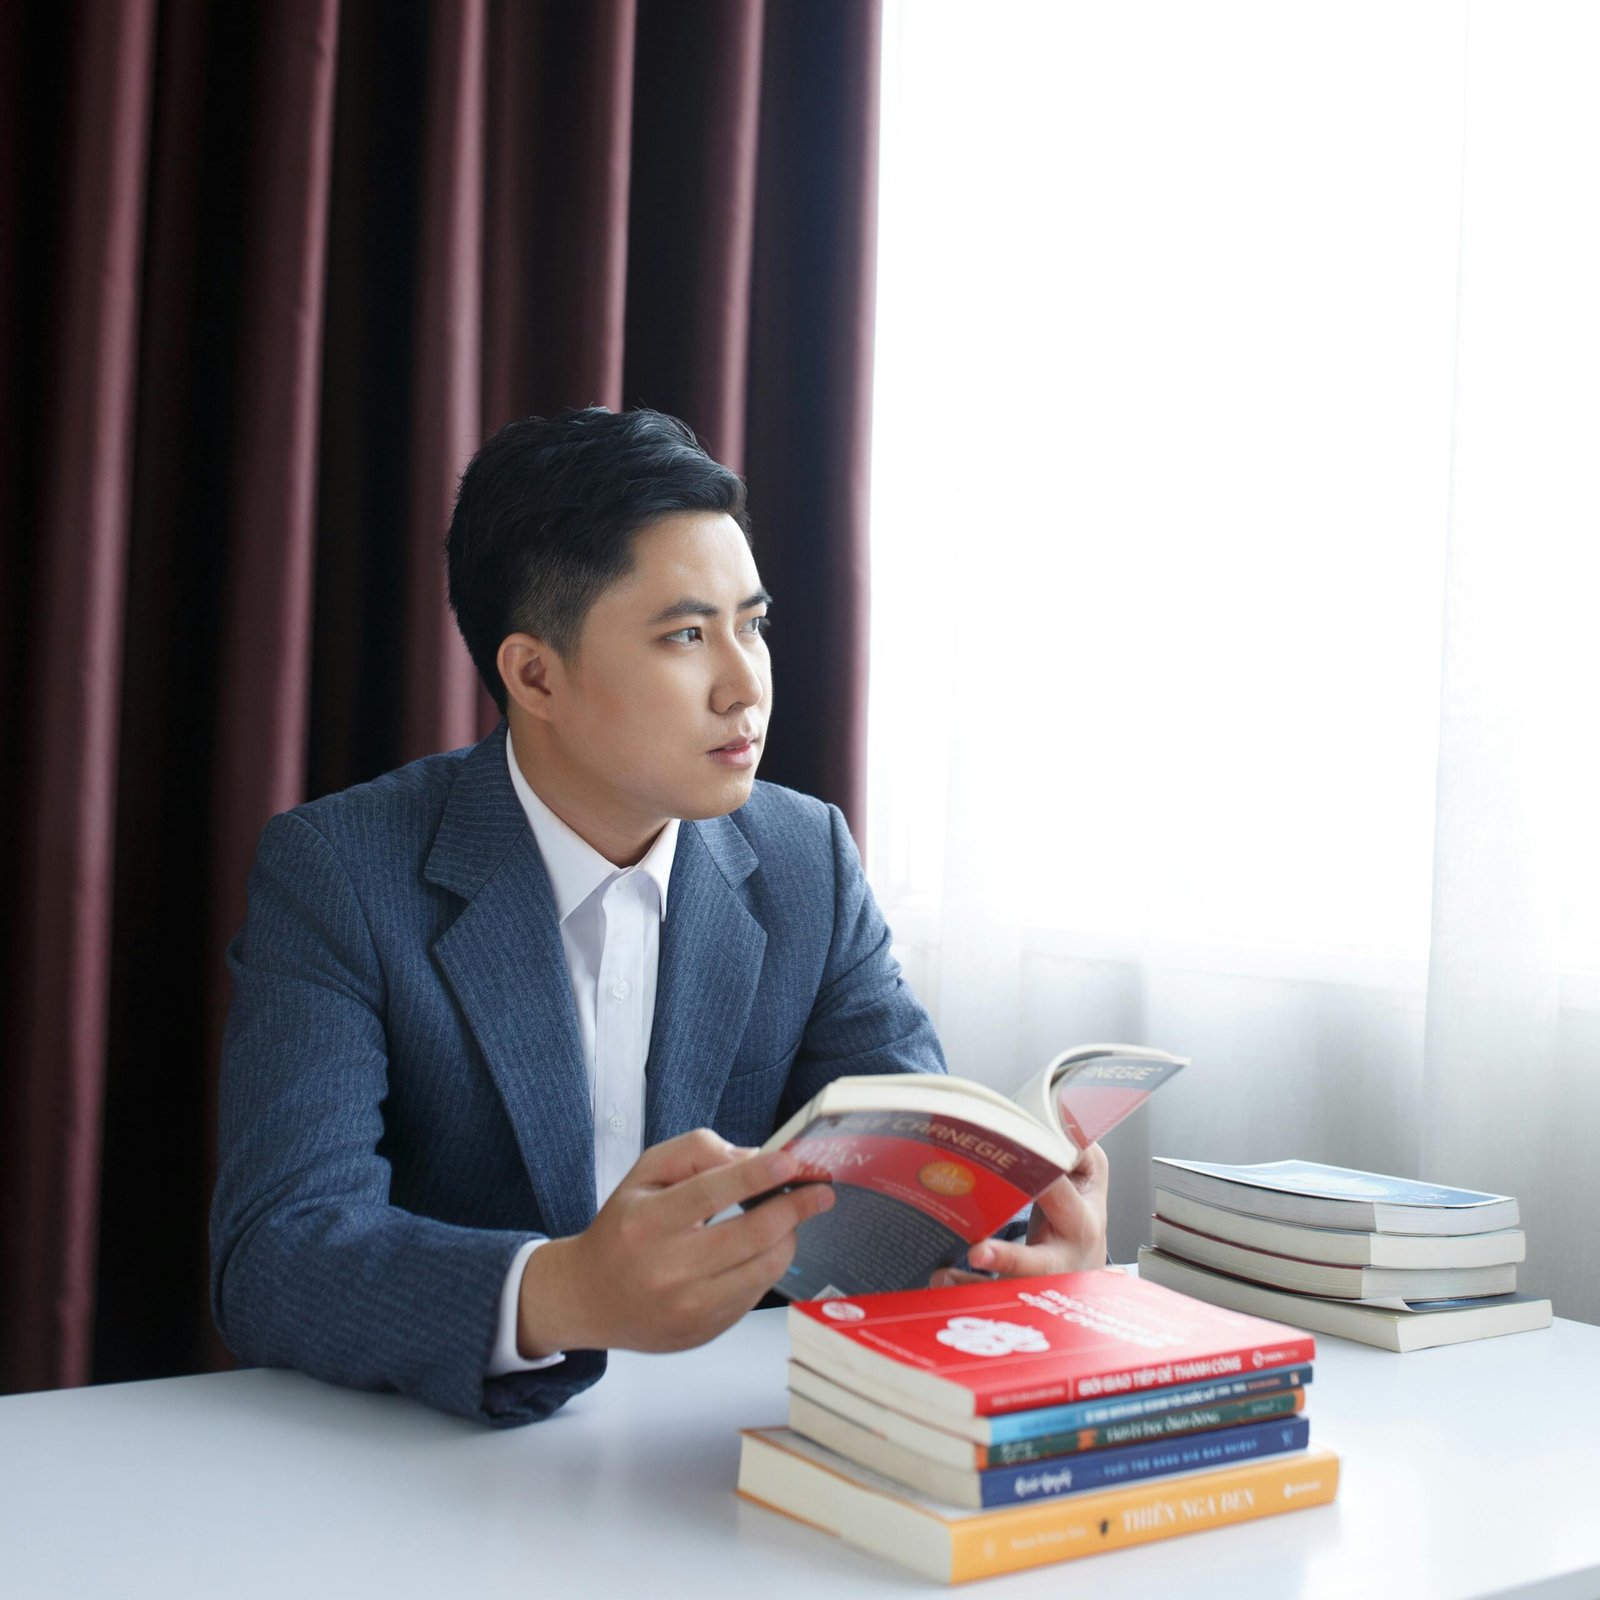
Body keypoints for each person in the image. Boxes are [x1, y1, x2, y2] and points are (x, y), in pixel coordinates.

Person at [209, 407, 1108, 1426]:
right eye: (685, 634)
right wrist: (565, 1293)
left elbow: (904, 1177)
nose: (745, 684)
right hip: (432, 1453)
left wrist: (1014, 1250)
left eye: (752, 624)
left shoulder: (804, 858)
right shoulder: (342, 870)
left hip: (725, 1438)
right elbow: (274, 1254)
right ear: (534, 673)